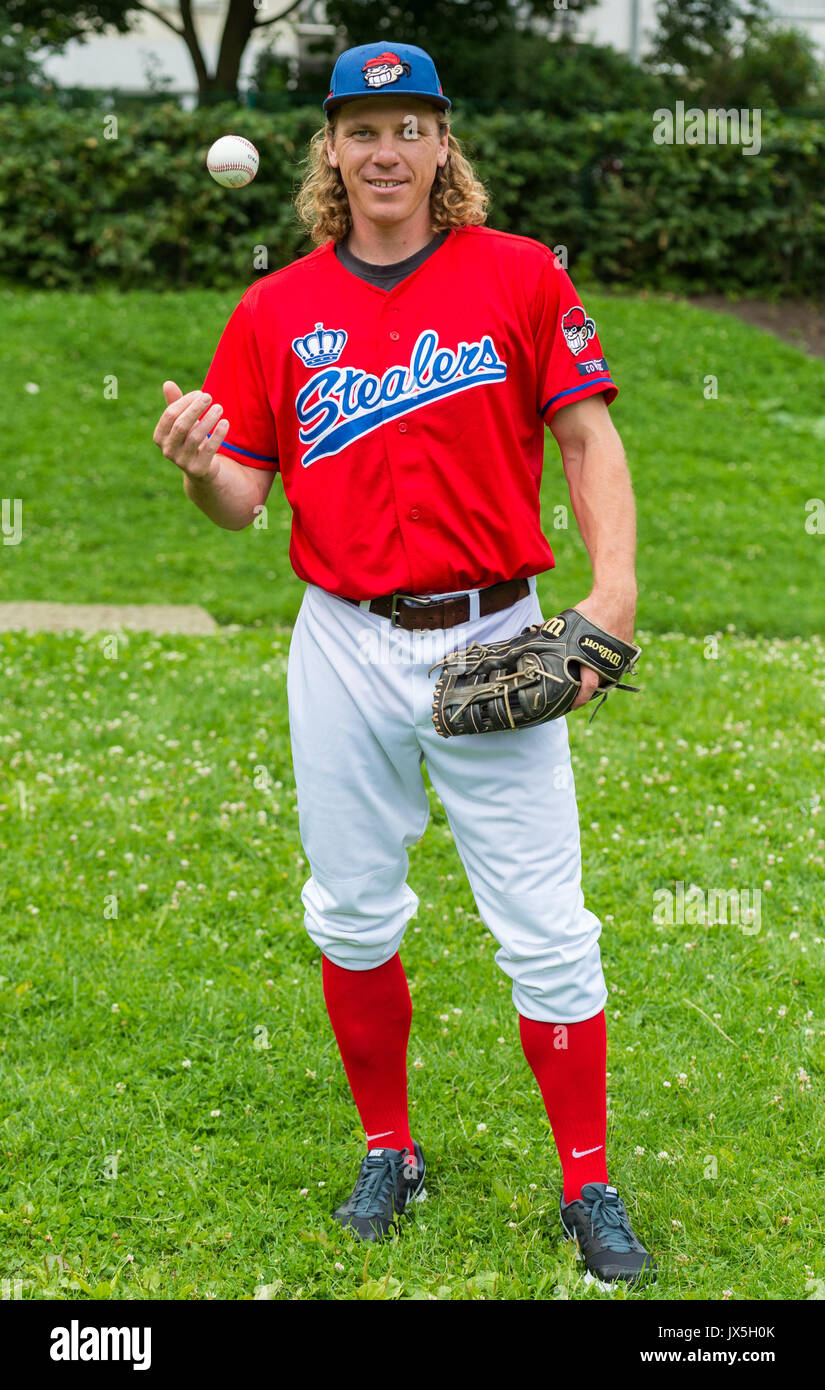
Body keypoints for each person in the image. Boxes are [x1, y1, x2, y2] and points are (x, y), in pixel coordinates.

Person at [152, 40, 655, 1286]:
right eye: (361, 129)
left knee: (546, 925)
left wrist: (612, 595)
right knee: (354, 909)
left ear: (444, 145)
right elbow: (242, 504)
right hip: (341, 641)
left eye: (409, 126)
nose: (385, 150)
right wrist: (199, 463)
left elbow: (588, 441)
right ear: (331, 150)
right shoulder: (277, 310)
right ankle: (391, 1146)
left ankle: (587, 1180)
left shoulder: (521, 276)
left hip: (494, 627)